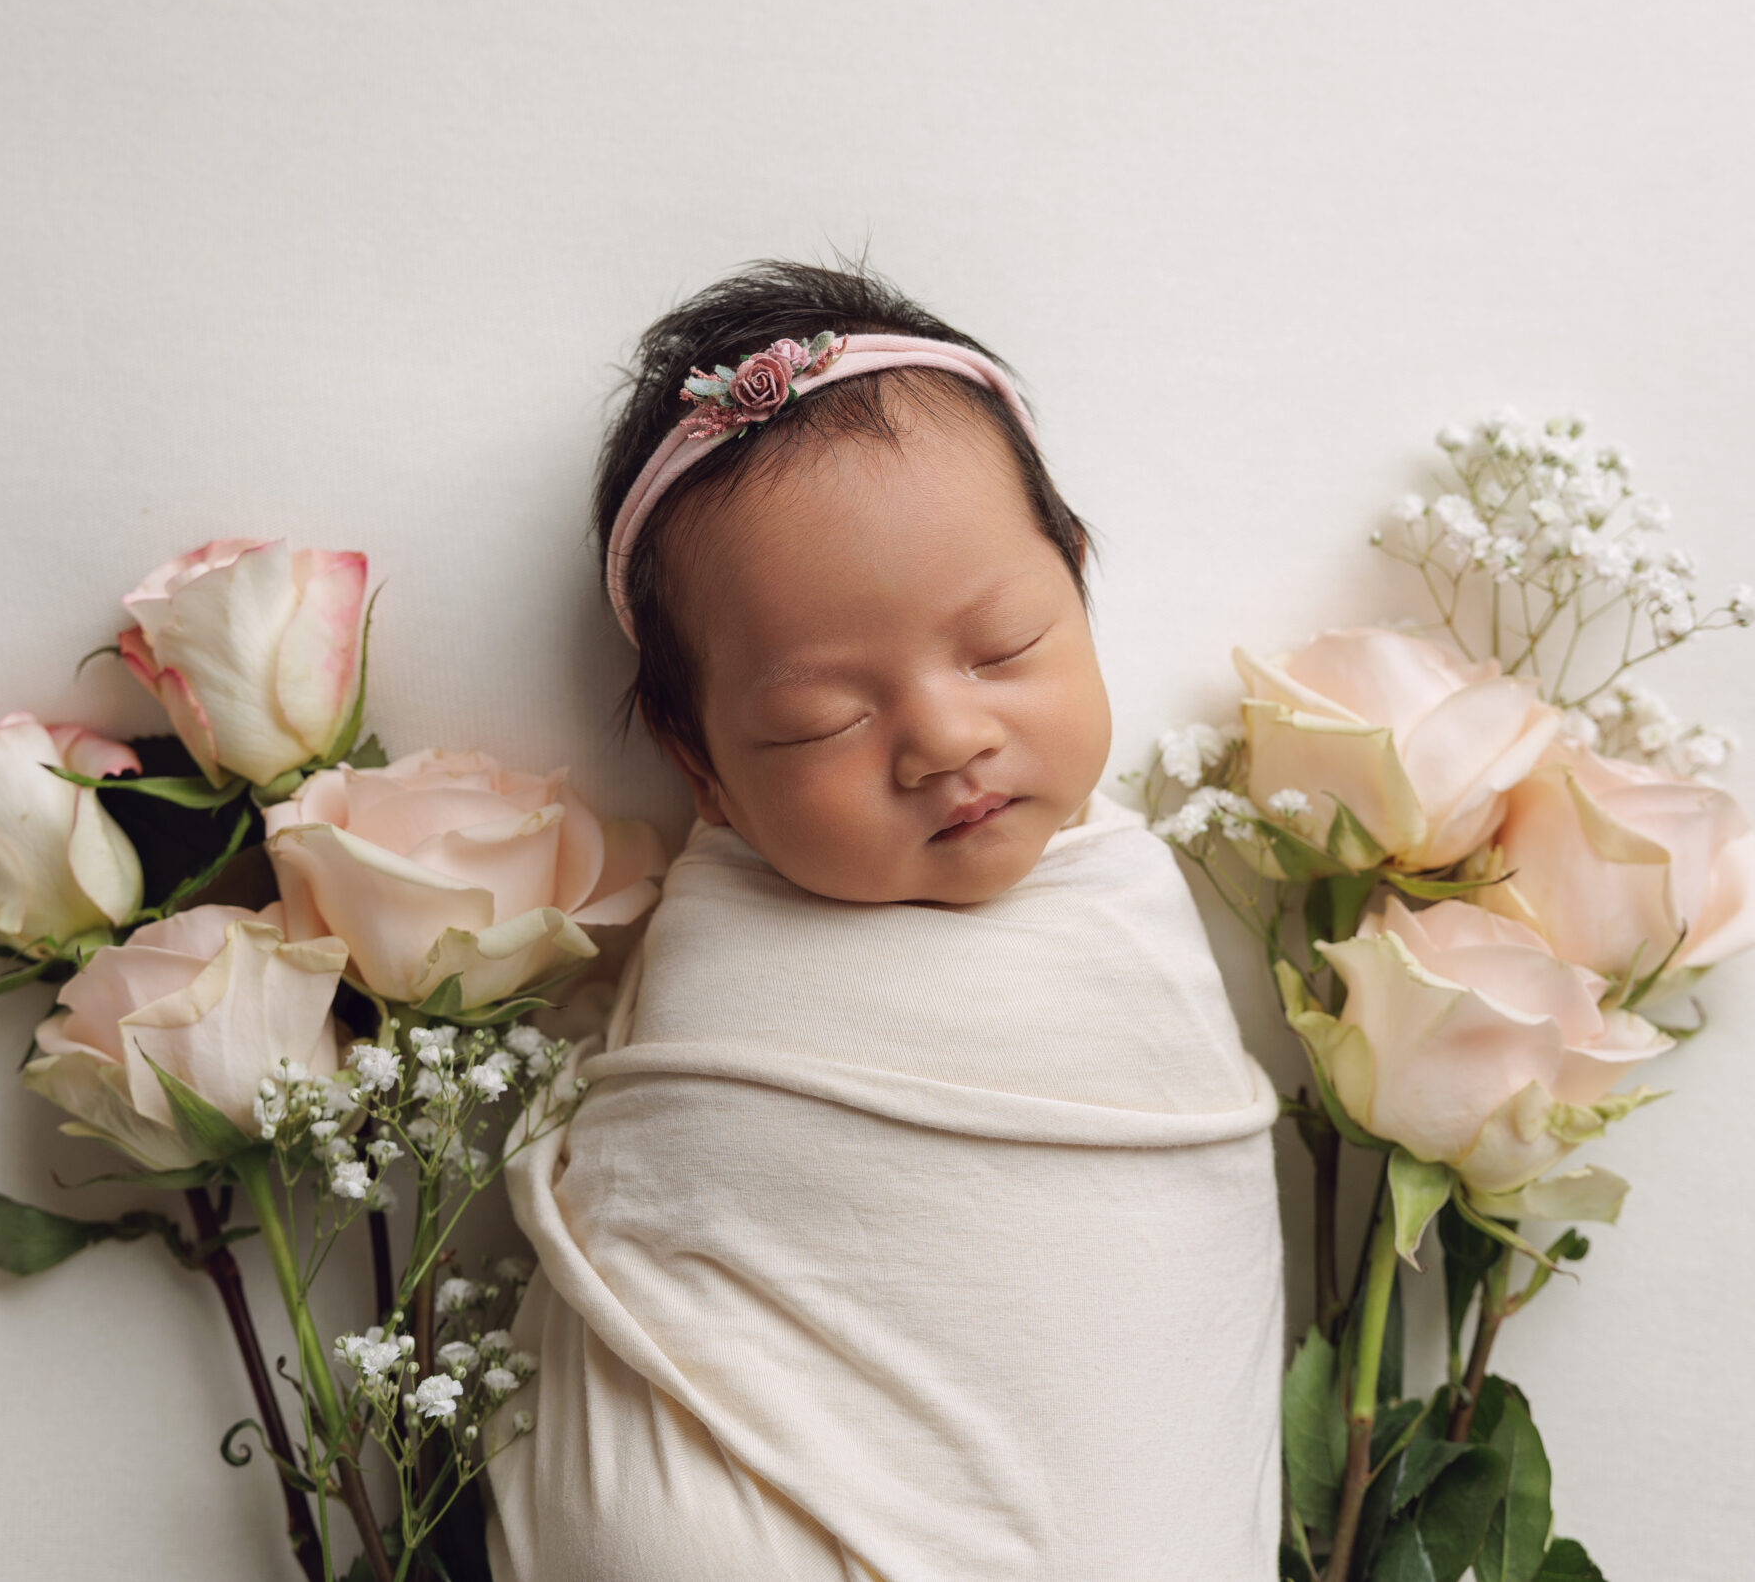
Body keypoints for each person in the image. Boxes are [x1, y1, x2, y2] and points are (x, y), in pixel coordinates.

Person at [484, 259, 1283, 1581]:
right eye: (824, 721)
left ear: (1077, 581)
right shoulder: (723, 952)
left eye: (1007, 646)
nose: (946, 740)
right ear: (700, 766)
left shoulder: (1124, 911)